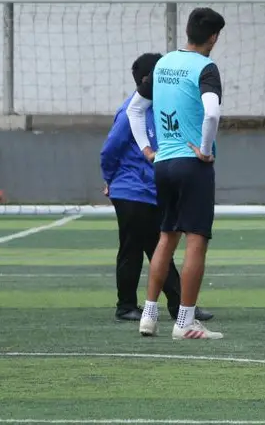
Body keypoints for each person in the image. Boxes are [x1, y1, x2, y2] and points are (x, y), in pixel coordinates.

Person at [126, 7, 226, 340]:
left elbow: (134, 110)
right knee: (196, 241)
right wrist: (206, 150)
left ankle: (149, 315)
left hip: (163, 164)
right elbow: (211, 114)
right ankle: (184, 322)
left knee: (166, 239)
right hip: (192, 164)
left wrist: (147, 150)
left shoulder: (164, 63)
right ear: (213, 37)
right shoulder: (206, 68)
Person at [100, 52, 213, 324]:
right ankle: (130, 305)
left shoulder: (162, 107)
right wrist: (110, 180)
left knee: (158, 246)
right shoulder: (130, 112)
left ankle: (178, 305)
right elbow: (109, 150)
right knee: (136, 247)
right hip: (130, 190)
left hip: (154, 189)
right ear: (148, 80)